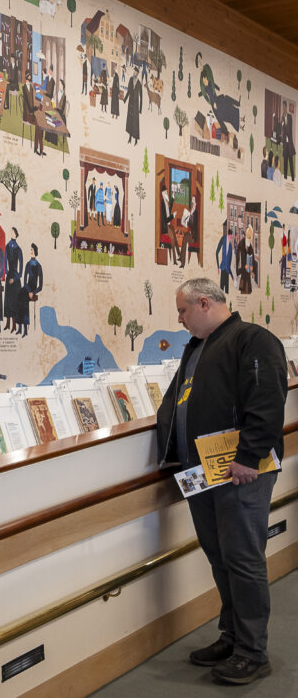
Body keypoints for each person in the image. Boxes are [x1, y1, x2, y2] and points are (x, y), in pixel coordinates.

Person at [156, 278, 286, 685]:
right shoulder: (197, 348)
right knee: (220, 558)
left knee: (244, 561)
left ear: (205, 302)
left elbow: (267, 400)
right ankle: (231, 636)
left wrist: (249, 456)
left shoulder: (253, 340)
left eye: (182, 311)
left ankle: (252, 652)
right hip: (201, 475)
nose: (179, 320)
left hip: (239, 473)